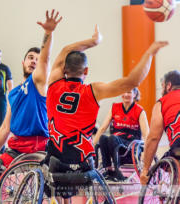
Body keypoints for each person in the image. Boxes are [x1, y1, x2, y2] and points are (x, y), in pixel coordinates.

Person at [45, 26, 167, 180]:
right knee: (105, 140)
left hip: (55, 159)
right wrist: (149, 54)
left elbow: (65, 49)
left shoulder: (53, 83)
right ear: (86, 71)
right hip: (82, 161)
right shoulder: (94, 90)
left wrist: (93, 41)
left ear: (63, 68)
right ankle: (111, 170)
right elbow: (132, 81)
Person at [0, 9, 62, 203]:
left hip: (41, 146)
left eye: (36, 58)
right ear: (23, 62)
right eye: (30, 57)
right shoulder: (14, 93)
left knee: (57, 189)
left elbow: (46, 58)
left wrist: (48, 34)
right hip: (17, 148)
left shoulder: (40, 83)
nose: (34, 60)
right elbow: (5, 127)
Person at [93, 88, 149, 181]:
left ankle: (117, 170)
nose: (126, 94)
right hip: (114, 142)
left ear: (134, 95)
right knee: (103, 138)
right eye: (124, 91)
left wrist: (146, 154)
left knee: (112, 138)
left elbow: (146, 134)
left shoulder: (139, 111)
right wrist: (92, 145)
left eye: (129, 92)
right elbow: (103, 128)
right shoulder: (115, 107)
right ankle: (108, 169)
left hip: (130, 145)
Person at [140, 70, 180, 186]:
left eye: (162, 86)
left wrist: (145, 170)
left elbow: (153, 138)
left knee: (168, 165)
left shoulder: (162, 103)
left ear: (168, 86)